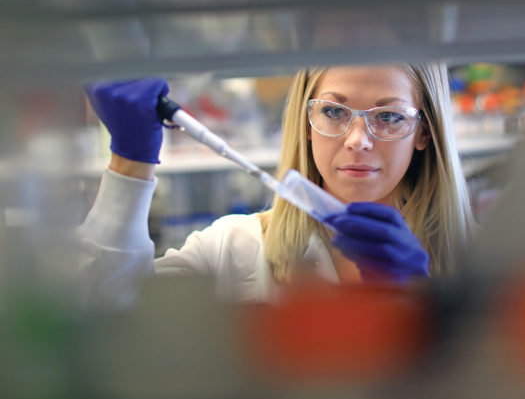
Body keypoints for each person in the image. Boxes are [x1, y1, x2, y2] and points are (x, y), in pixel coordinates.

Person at [78, 63, 475, 305]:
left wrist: (426, 310)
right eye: (335, 111)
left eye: (389, 116)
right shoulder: (232, 250)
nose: (358, 139)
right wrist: (130, 160)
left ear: (424, 132)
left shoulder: (479, 264)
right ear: (306, 123)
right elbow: (105, 321)